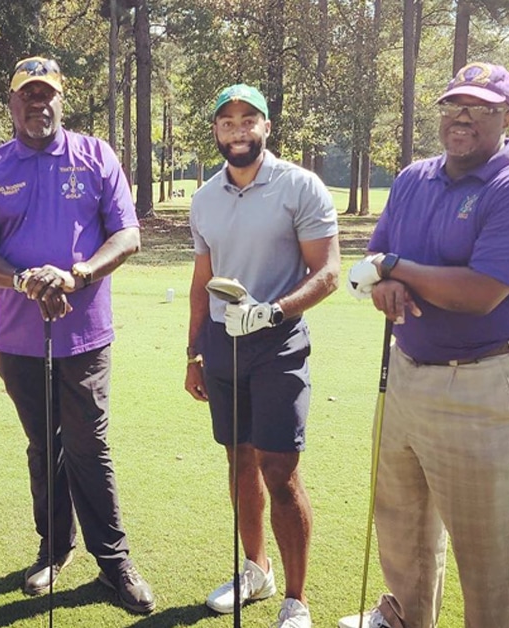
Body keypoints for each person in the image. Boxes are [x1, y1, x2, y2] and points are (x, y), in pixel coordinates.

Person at [343, 62, 509, 628]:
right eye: (454, 105)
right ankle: (406, 619)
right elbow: (373, 261)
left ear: (507, 116)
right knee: (402, 524)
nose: (463, 116)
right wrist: (385, 279)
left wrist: (394, 268)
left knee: (485, 546)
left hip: (485, 377)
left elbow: (480, 292)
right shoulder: (415, 178)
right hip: (407, 369)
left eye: (482, 107)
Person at [0, 56, 156, 615]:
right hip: (19, 337)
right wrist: (22, 279)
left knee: (89, 443)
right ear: (12, 102)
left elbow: (128, 235)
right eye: (27, 94)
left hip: (85, 333)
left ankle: (113, 562)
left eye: (47, 94)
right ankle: (54, 547)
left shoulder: (95, 155)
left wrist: (78, 273)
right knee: (45, 445)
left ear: (61, 100)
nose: (37, 103)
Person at [184, 84, 340, 628]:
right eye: (227, 122)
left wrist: (274, 311)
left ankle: (295, 600)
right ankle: (256, 570)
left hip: (278, 346)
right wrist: (193, 353)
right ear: (217, 133)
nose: (238, 131)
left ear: (267, 126)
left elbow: (328, 273)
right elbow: (201, 280)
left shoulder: (300, 186)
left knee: (280, 471)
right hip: (223, 350)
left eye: (249, 120)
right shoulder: (204, 197)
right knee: (238, 461)